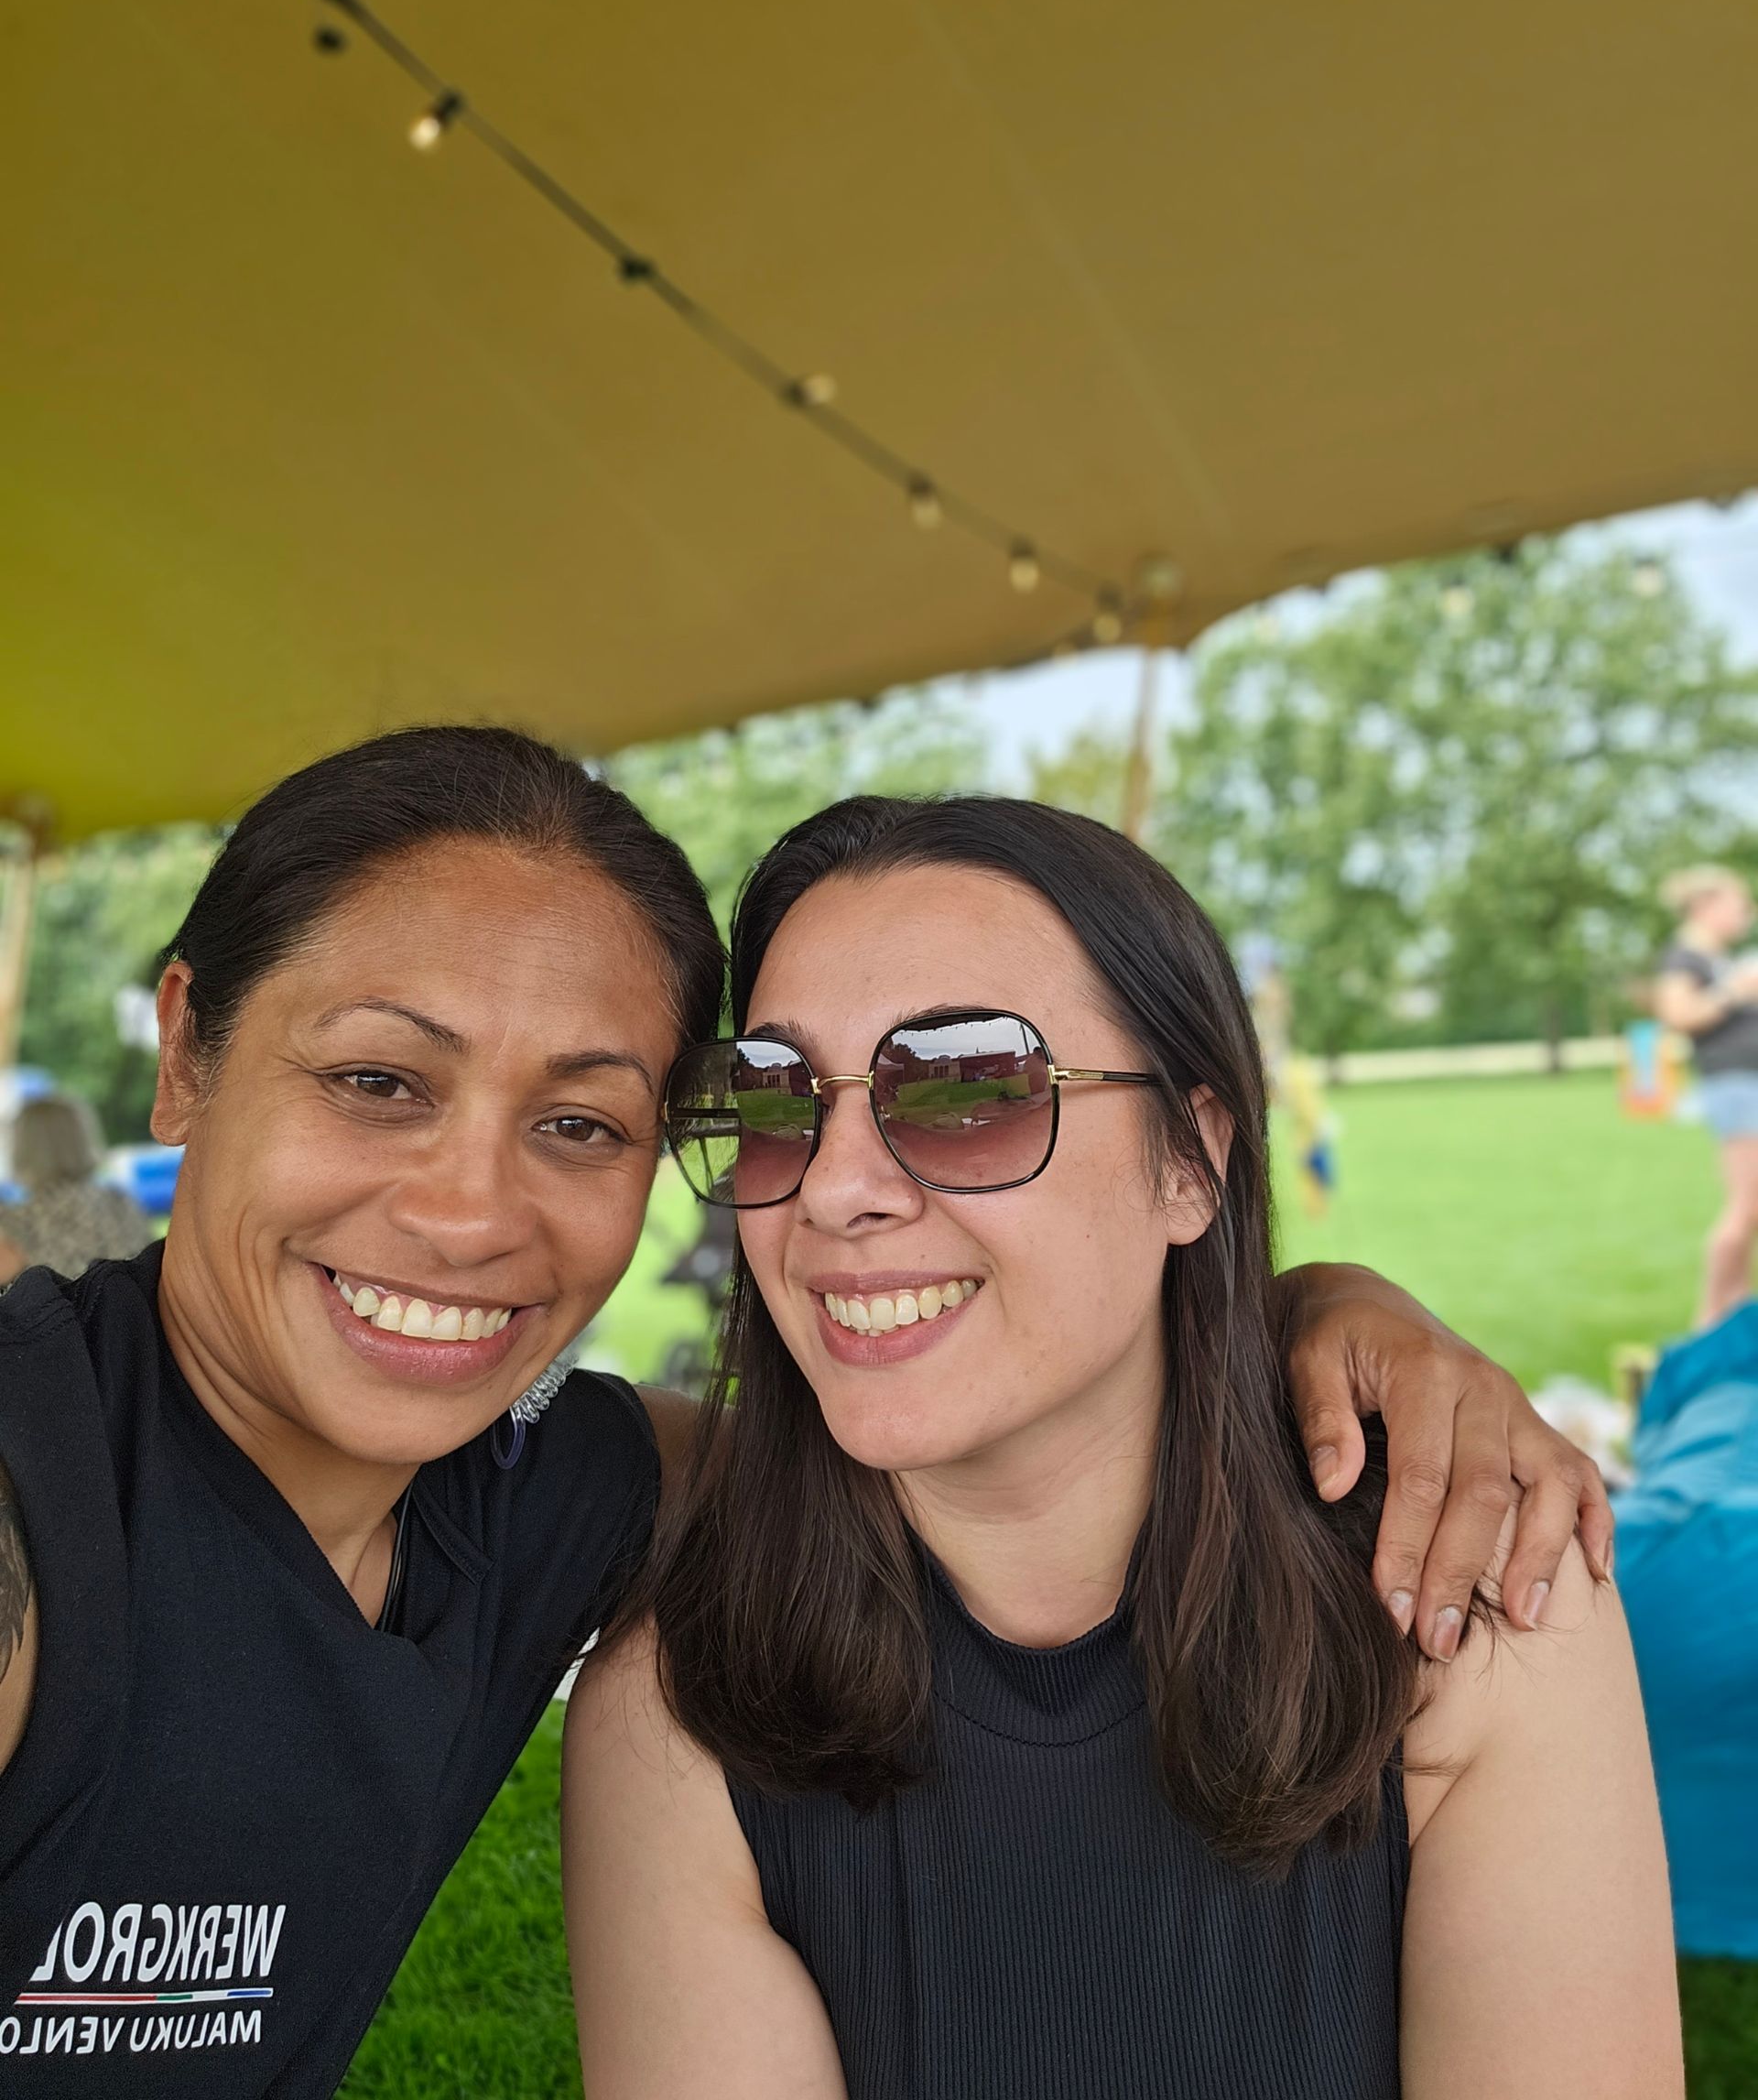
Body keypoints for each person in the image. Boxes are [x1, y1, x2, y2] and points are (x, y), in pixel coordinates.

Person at [0, 728, 1610, 2097]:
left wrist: (1319, 1306)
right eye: (377, 1082)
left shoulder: (554, 1500)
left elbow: (906, 1426)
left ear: (1195, 1155)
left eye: (581, 1119)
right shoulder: (41, 1509)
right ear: (188, 1057)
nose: (469, 1211)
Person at [565, 795, 1677, 2100]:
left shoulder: (1475, 1601)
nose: (831, 1185)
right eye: (772, 1096)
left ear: (1190, 1162)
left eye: (967, 1086)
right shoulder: (678, 1717)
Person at [1654, 865, 1758, 1327]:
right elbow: (1677, 1014)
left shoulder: (1718, 958)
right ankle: (1711, 1321)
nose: (1748, 915)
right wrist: (1736, 990)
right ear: (1706, 907)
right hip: (1732, 1085)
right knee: (1746, 1206)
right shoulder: (1686, 959)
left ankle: (1735, 1314)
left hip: (1745, 1081)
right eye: (1740, 905)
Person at [0, 1094, 155, 1286]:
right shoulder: (120, 1201)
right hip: (133, 1311)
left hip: (65, 1315)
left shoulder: (19, 1220)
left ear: (21, 1148)